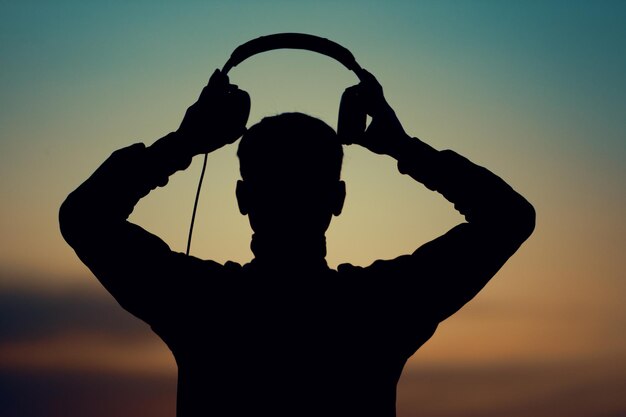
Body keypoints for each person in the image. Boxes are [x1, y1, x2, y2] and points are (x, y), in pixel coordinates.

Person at [59, 69, 535, 417]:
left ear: (243, 199)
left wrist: (185, 142)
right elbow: (508, 217)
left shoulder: (200, 302)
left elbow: (84, 216)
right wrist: (402, 147)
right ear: (338, 199)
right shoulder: (382, 306)